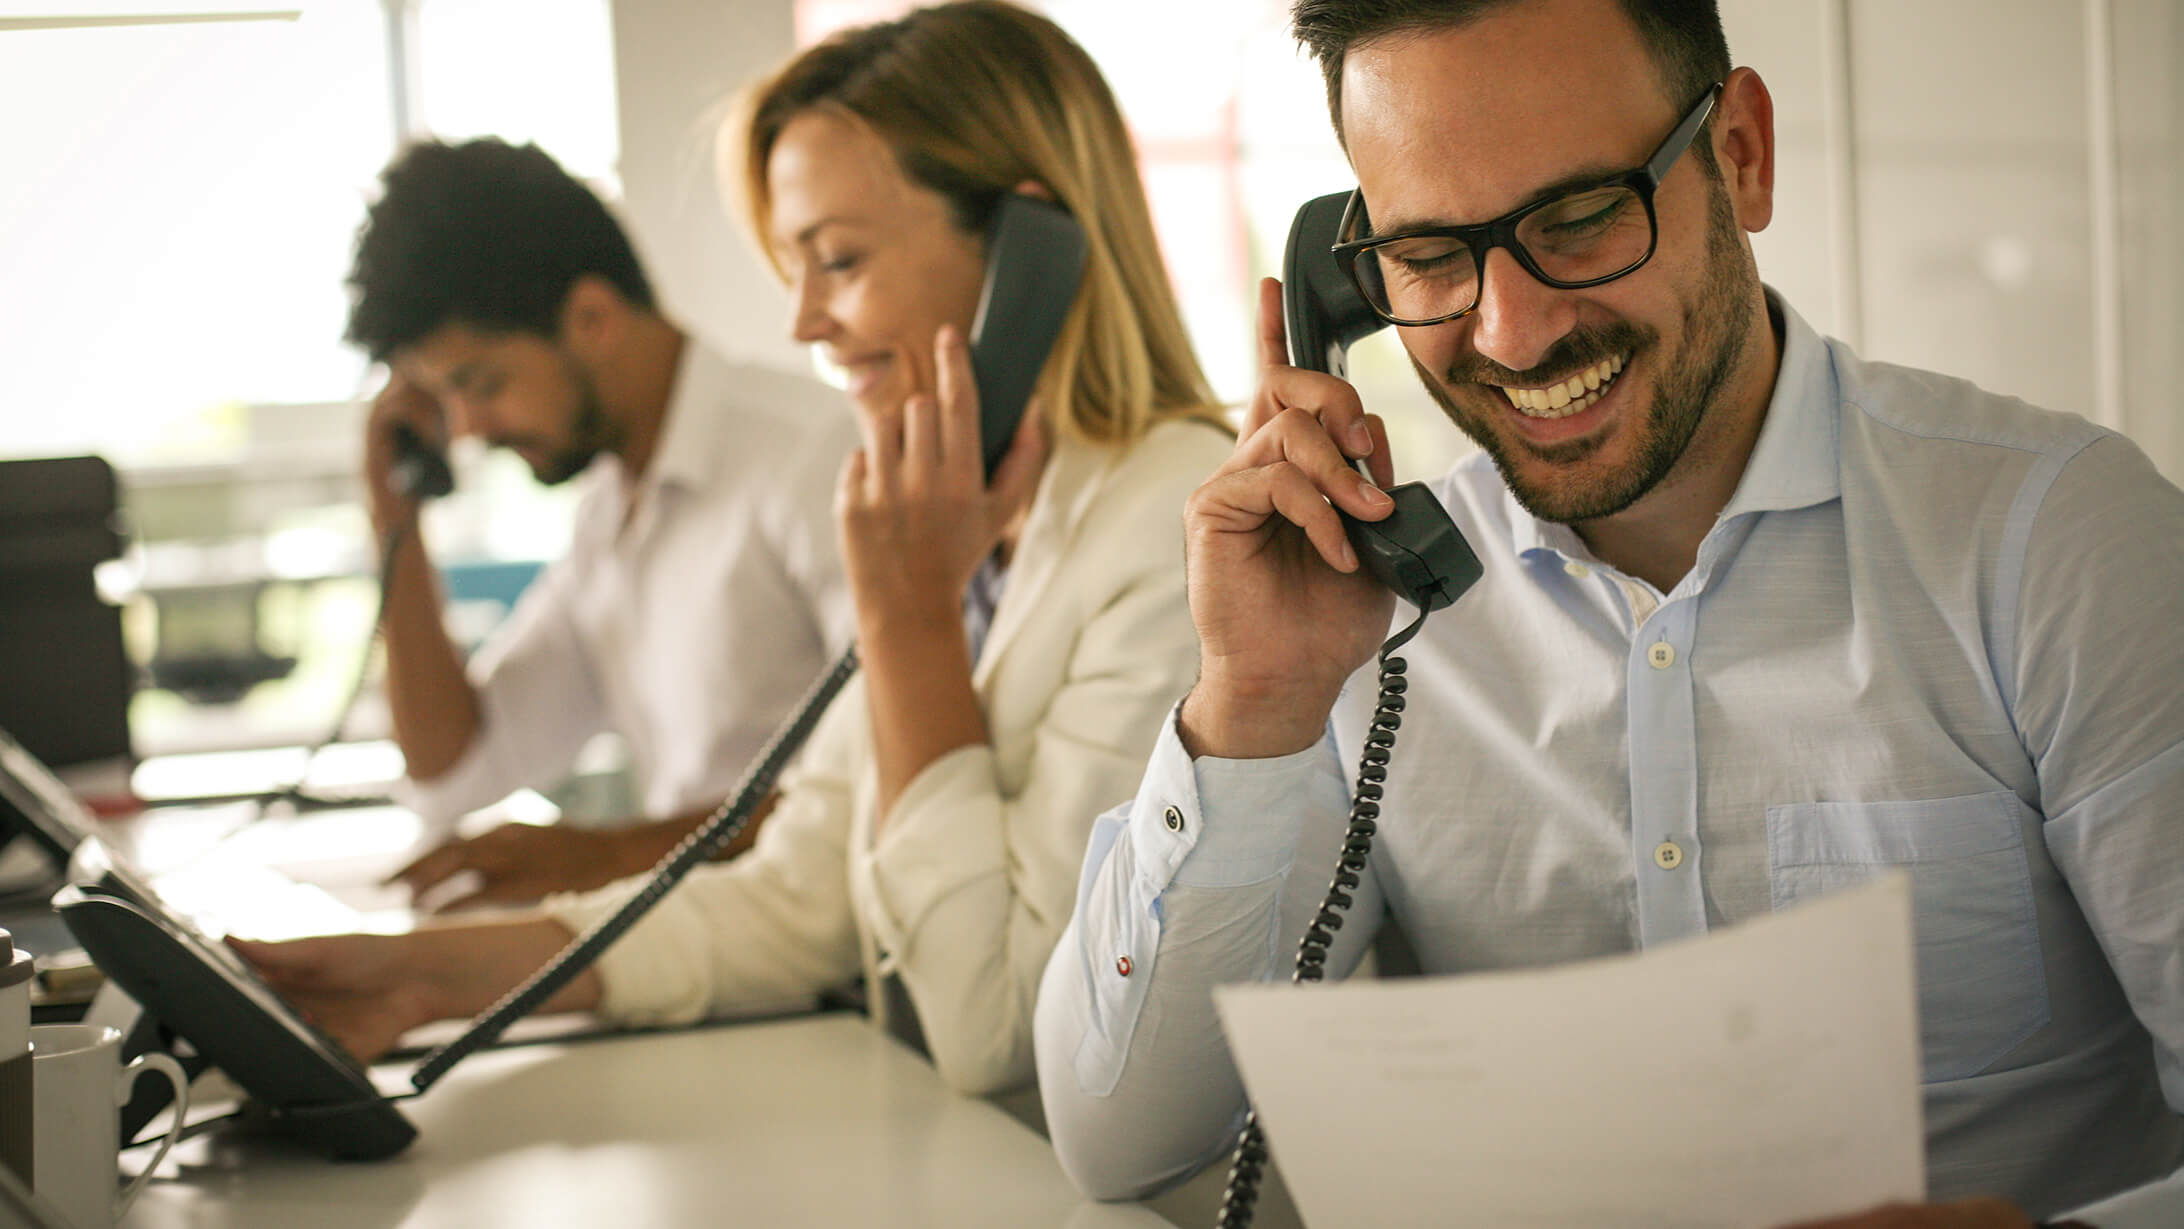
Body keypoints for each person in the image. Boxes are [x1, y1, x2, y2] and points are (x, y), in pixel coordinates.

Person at [1032, 0, 2184, 1224]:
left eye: (1580, 220)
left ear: (1740, 155)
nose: (1511, 329)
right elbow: (1120, 1139)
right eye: (1429, 257)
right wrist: (1251, 704)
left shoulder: (2061, 540)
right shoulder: (1379, 611)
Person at [238, 0, 1231, 1098]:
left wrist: (906, 626)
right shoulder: (961, 514)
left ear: (1026, 252)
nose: (804, 320)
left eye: (838, 259)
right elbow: (796, 894)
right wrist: (416, 973)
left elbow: (994, 1022)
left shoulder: (1171, 524)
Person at [345, 137, 858, 907]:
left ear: (591, 316)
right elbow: (454, 772)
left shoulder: (813, 458)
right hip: (704, 963)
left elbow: (890, 783)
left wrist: (611, 856)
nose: (470, 429)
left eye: (482, 383)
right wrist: (394, 517)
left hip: (832, 978)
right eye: (446, 400)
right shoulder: (609, 517)